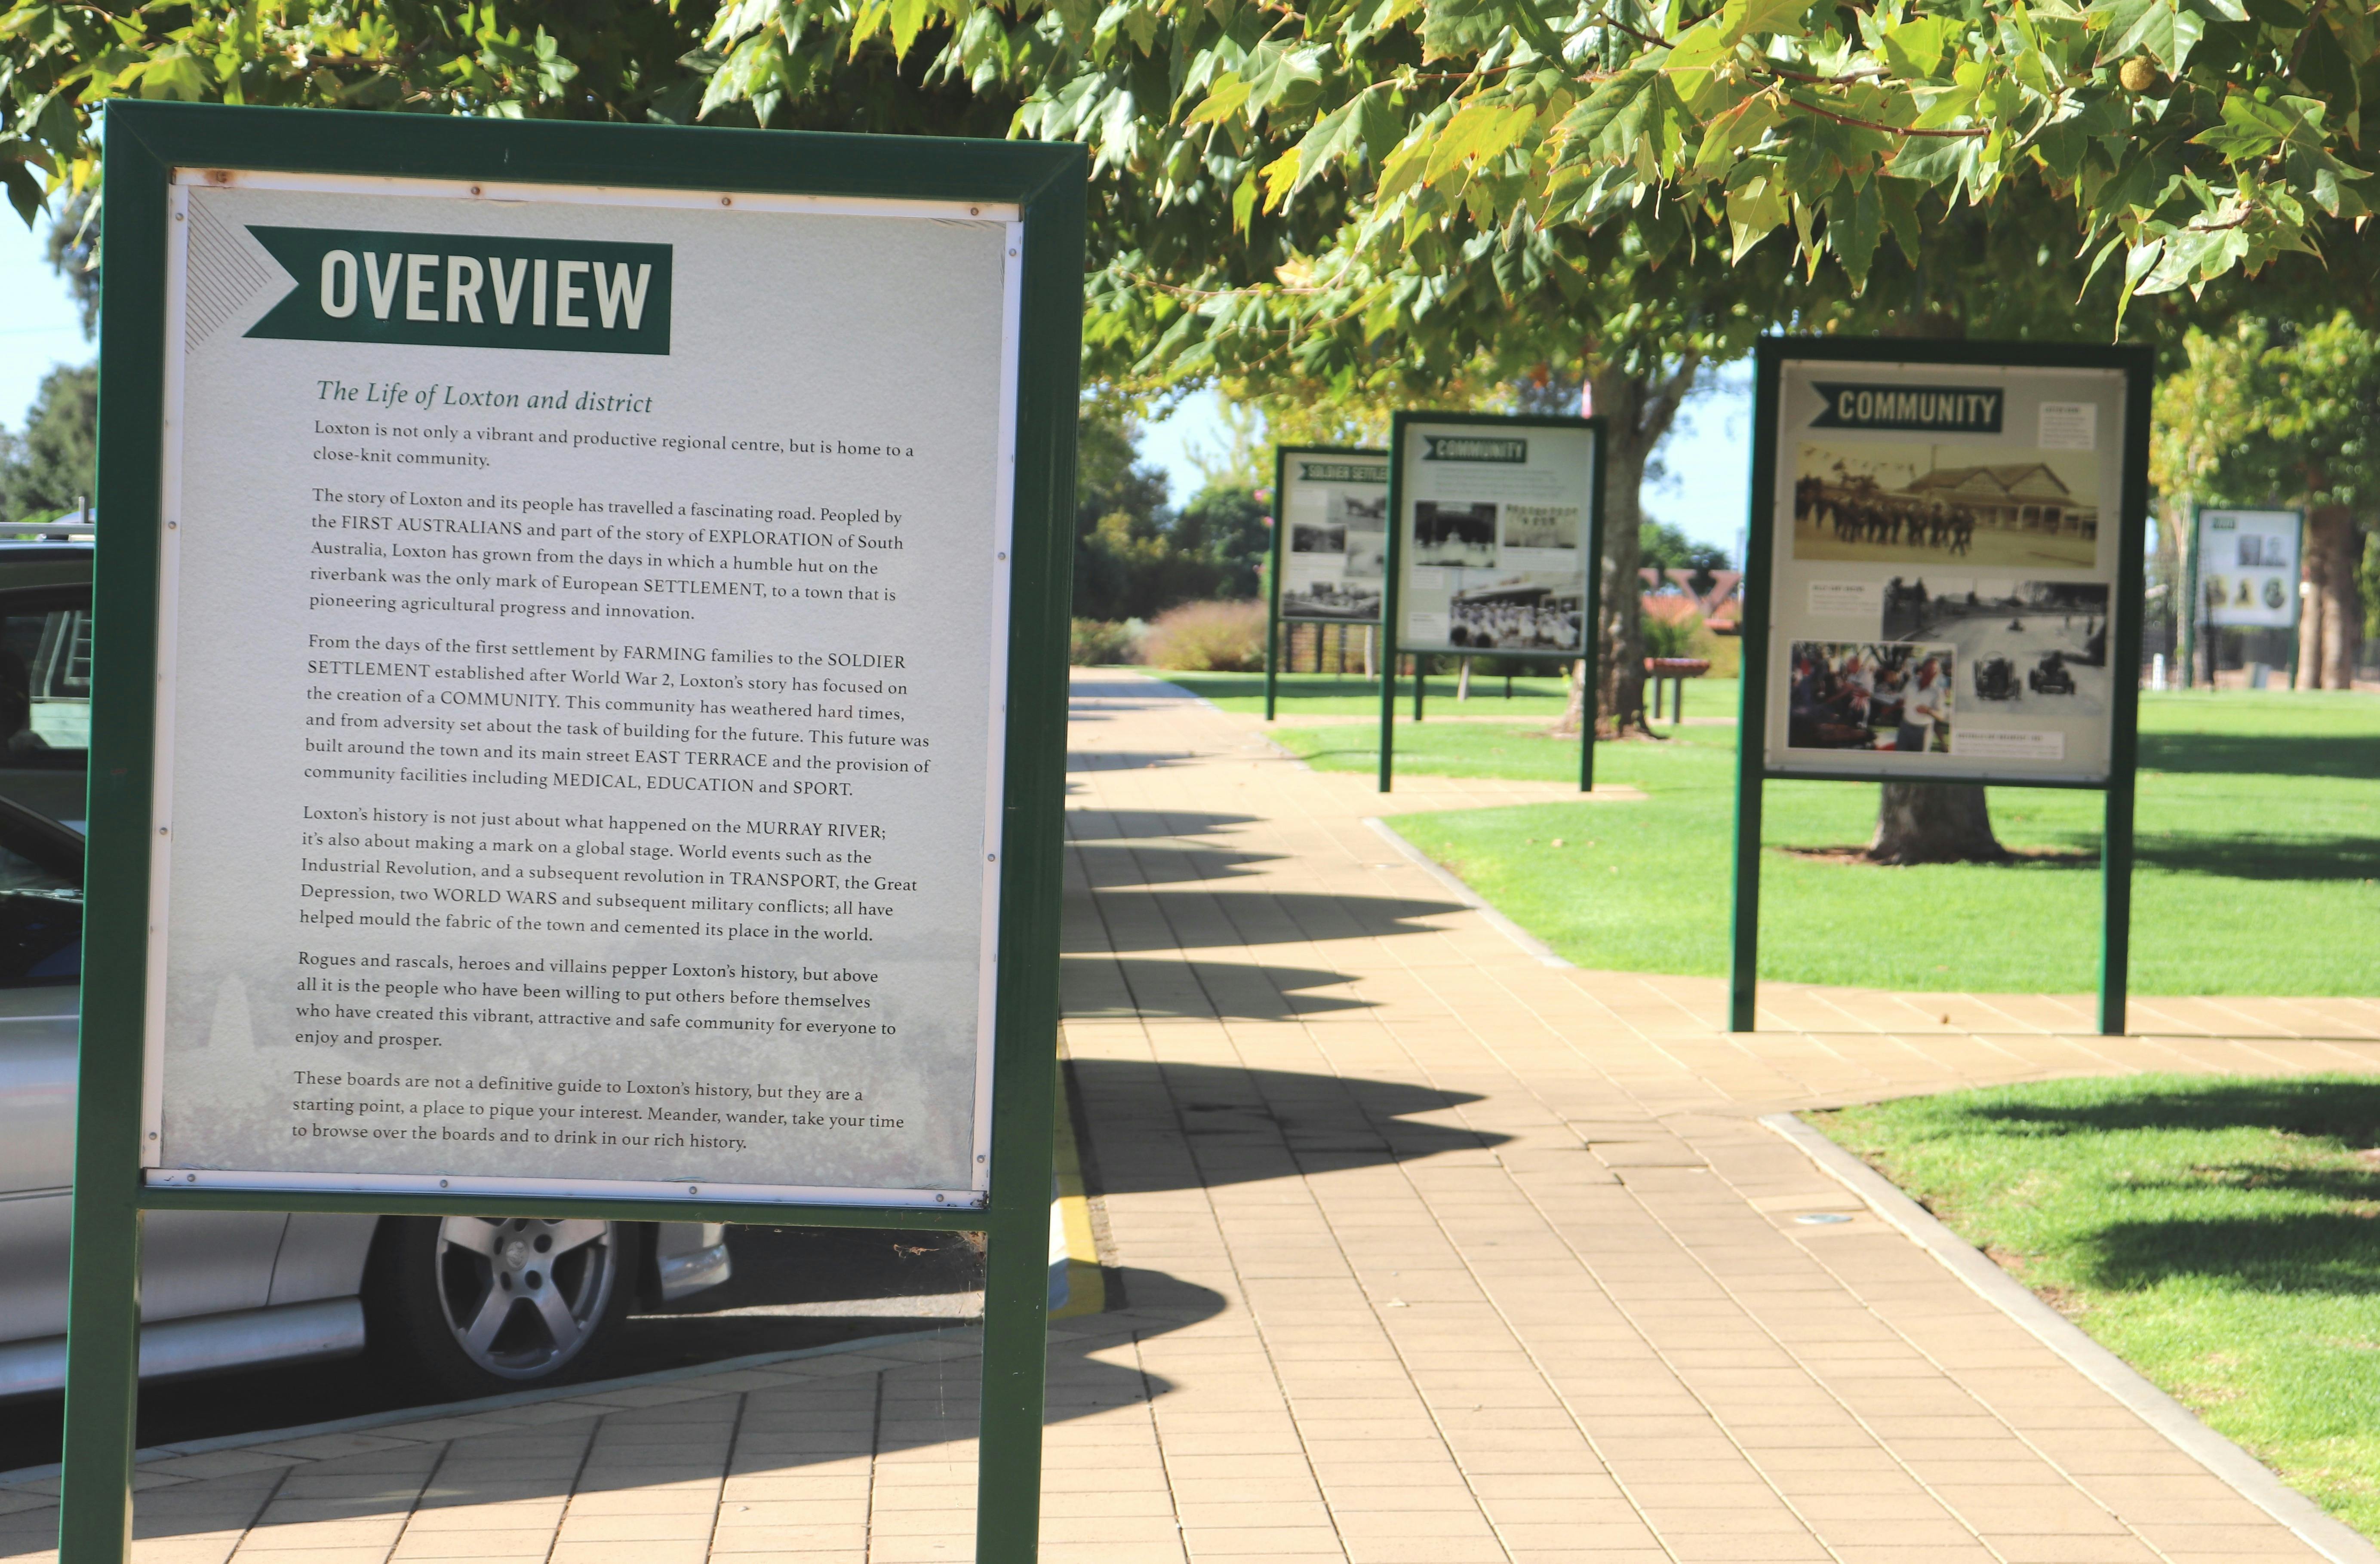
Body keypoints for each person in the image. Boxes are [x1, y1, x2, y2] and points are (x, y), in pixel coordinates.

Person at [1897, 658, 1948, 752]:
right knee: (1900, 756)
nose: (1932, 673)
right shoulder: (1911, 683)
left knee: (1920, 759)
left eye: (1935, 670)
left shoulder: (1938, 692)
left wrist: (1928, 711)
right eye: (1929, 669)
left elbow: (1942, 716)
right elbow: (1901, 699)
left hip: (1923, 731)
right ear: (1923, 670)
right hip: (1905, 727)